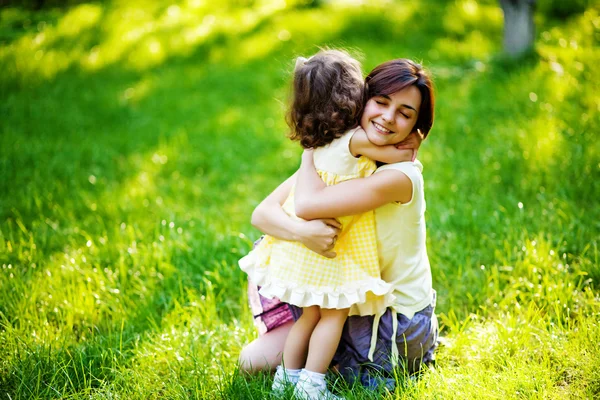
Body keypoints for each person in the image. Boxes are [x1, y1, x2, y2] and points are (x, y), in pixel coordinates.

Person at [239, 57, 438, 391]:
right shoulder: (340, 157)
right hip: (339, 291)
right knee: (250, 363)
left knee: (351, 375)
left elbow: (305, 203)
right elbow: (263, 213)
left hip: (388, 315)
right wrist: (303, 232)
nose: (388, 118)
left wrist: (308, 152)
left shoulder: (399, 177)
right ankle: (304, 376)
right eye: (381, 102)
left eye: (405, 113)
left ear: (417, 126)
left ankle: (312, 381)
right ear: (360, 99)